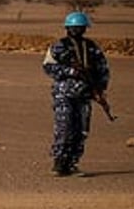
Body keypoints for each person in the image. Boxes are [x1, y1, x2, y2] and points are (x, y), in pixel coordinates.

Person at [43, 11, 110, 177]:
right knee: (64, 128)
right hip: (64, 94)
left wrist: (100, 90)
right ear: (67, 28)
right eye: (74, 27)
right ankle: (59, 163)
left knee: (81, 130)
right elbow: (48, 66)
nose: (77, 30)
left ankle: (72, 163)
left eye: (80, 27)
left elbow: (103, 69)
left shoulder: (92, 47)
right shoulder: (59, 46)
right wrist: (70, 71)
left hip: (85, 94)